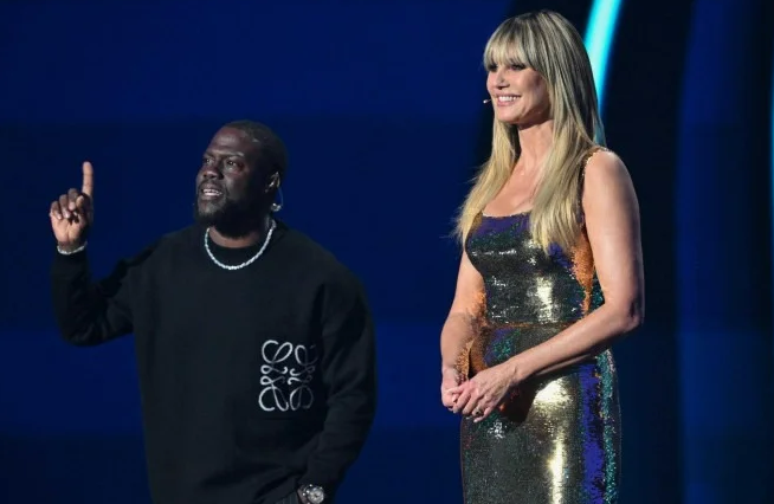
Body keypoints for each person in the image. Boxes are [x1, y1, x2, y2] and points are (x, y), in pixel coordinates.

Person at [49, 120, 377, 504]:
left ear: (270, 183)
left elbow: (354, 396)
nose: (210, 171)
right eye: (206, 160)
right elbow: (84, 325)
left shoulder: (322, 279)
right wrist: (71, 251)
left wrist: (313, 490)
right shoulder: (161, 264)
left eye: (231, 163)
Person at [439, 10, 644, 504]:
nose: (499, 81)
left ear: (555, 75)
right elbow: (466, 309)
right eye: (493, 68)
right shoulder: (491, 184)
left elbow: (624, 310)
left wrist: (513, 370)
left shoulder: (596, 170)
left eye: (516, 66)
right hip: (489, 404)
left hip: (562, 397)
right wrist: (453, 368)